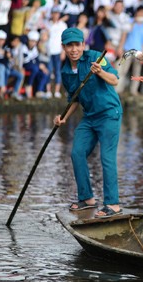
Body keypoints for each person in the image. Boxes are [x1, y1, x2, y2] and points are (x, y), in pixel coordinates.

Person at [54, 27, 123, 219]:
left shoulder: (95, 57)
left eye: (77, 45)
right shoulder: (66, 71)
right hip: (90, 117)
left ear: (83, 45)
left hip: (109, 114)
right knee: (77, 153)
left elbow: (115, 80)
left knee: (107, 158)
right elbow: (74, 98)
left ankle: (113, 203)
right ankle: (87, 198)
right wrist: (63, 117)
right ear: (64, 47)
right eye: (70, 46)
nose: (74, 49)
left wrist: (100, 71)